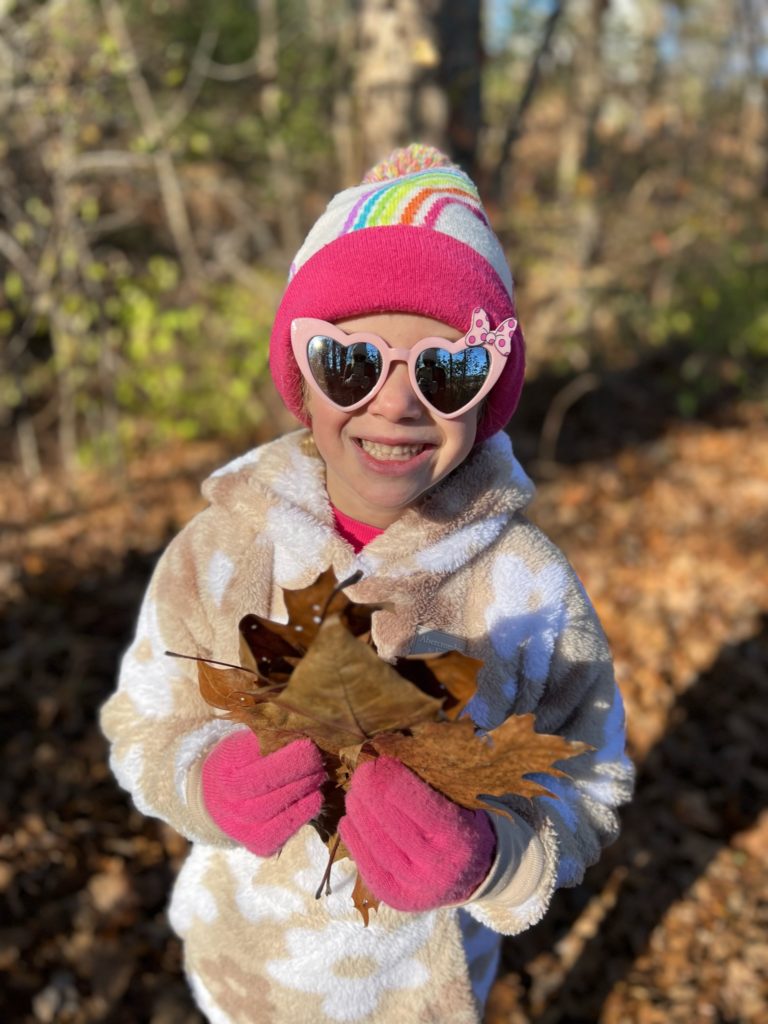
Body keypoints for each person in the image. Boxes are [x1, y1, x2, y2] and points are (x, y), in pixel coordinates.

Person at [101, 144, 634, 1024]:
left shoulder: (527, 586)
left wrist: (497, 859)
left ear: (486, 396)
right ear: (301, 381)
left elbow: (593, 774)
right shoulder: (221, 549)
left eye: (447, 370)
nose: (395, 404)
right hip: (245, 977)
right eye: (350, 363)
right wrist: (202, 783)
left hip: (419, 999)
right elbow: (141, 721)